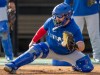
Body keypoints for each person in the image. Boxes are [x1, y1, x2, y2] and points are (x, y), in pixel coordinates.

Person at [4, 3, 94, 74]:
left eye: (59, 16)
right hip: (50, 48)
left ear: (67, 16)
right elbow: (42, 30)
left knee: (87, 67)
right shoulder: (51, 21)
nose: (56, 18)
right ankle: (13, 65)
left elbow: (82, 46)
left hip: (68, 53)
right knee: (35, 49)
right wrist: (33, 41)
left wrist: (74, 45)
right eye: (55, 15)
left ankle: (75, 65)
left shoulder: (74, 27)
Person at [53, 0, 100, 65]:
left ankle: (98, 57)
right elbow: (67, 1)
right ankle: (71, 57)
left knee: (95, 36)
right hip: (77, 12)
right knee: (72, 36)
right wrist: (65, 11)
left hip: (93, 11)